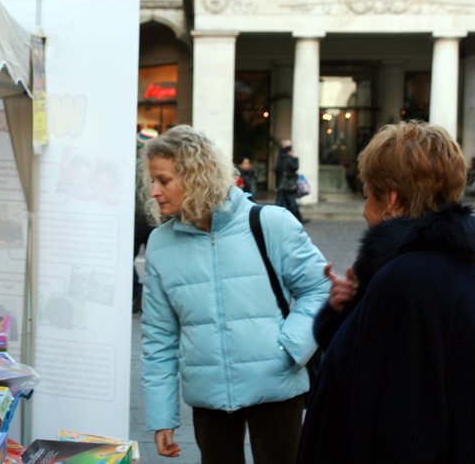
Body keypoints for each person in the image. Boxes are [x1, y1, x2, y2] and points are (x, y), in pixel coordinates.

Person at [298, 121, 475, 463]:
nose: (364, 210)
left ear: (391, 198)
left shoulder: (406, 280)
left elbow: (393, 424)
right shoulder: (465, 270)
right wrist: (349, 310)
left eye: (368, 195)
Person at [139, 125, 329, 463]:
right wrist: (162, 416)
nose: (153, 191)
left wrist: (289, 348)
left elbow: (321, 288)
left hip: (277, 389)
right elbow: (158, 337)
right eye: (152, 180)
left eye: (164, 180)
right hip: (209, 397)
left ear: (196, 175)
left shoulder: (271, 223)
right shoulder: (160, 243)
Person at [132, 128, 159, 314]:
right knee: (155, 264)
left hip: (135, 220)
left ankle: (137, 292)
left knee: (128, 263)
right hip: (153, 221)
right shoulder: (158, 165)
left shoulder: (130, 164)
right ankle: (148, 298)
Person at [274, 139, 305, 223]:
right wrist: (295, 158)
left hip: (283, 183)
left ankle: (296, 219)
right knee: (290, 203)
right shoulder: (287, 158)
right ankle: (296, 220)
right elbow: (295, 167)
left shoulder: (281, 157)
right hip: (288, 184)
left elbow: (277, 170)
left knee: (284, 202)